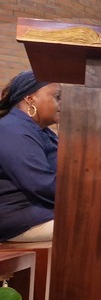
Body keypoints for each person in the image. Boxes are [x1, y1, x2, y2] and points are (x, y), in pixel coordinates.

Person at [0, 71, 61, 243]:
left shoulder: (41, 131)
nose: (62, 103)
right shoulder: (13, 129)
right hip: (20, 218)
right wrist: (82, 197)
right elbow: (39, 183)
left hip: (40, 212)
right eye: (57, 96)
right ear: (30, 99)